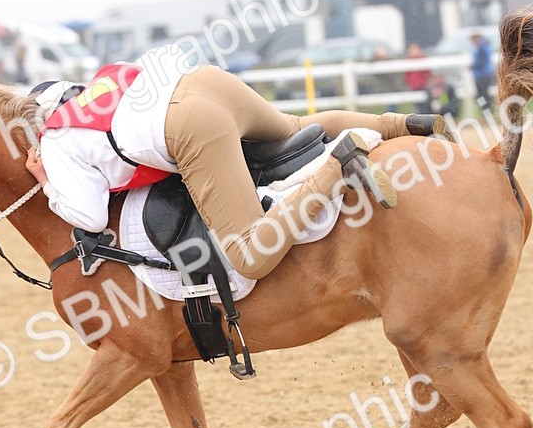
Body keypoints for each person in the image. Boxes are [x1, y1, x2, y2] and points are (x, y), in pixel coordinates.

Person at [24, 46, 446, 281]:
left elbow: (91, 218)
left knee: (249, 256)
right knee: (295, 125)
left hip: (189, 125)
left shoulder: (57, 136)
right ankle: (406, 124)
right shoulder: (104, 78)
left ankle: (340, 161)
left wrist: (45, 180)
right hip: (205, 82)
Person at [403, 42, 431, 114]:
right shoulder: (408, 60)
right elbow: (407, 75)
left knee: (425, 104)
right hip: (414, 86)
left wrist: (424, 82)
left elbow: (427, 72)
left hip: (422, 85)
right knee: (416, 105)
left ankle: (425, 116)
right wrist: (410, 83)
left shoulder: (422, 59)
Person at [471, 32, 494, 110]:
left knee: (482, 95)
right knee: (483, 94)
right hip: (483, 74)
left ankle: (487, 110)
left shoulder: (481, 48)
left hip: (482, 75)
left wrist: (471, 66)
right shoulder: (484, 46)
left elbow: (481, 61)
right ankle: (487, 110)